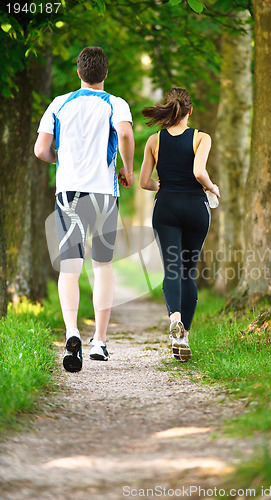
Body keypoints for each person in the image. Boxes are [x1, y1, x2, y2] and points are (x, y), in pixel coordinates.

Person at [34, 46, 134, 373]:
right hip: (104, 193)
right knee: (102, 267)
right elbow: (125, 133)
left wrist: (59, 160)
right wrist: (128, 168)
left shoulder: (59, 104)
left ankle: (71, 331)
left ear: (79, 72)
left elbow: (41, 149)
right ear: (105, 73)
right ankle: (100, 342)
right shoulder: (115, 103)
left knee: (70, 268)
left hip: (68, 194)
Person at [140, 87, 220, 362]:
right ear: (190, 110)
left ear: (168, 110)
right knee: (188, 270)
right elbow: (199, 172)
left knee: (172, 268)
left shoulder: (154, 140)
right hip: (196, 209)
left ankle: (174, 318)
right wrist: (213, 187)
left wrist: (161, 184)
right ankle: (184, 335)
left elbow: (143, 182)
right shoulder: (201, 138)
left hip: (166, 208)